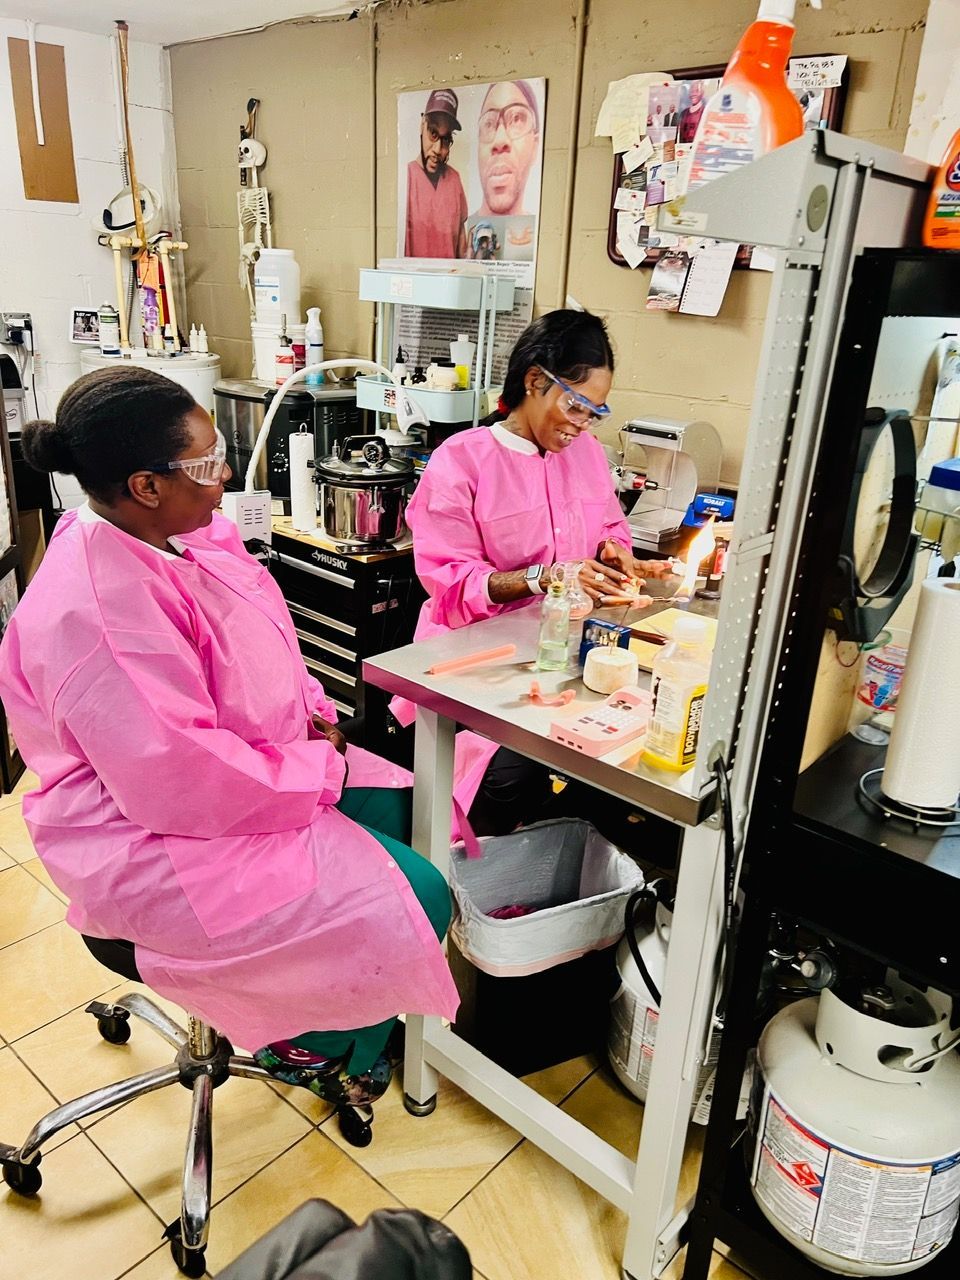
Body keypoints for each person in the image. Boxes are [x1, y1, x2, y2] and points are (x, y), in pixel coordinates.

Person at [0, 366, 459, 1134]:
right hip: (156, 838)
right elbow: (182, 778)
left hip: (256, 772)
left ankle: (341, 1006)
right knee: (419, 895)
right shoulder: (99, 609)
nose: (224, 478)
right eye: (208, 463)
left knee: (418, 810)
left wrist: (313, 713)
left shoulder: (180, 534)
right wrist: (317, 769)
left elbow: (259, 629)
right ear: (146, 485)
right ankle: (308, 1040)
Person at [396, 310, 672, 837]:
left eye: (595, 413)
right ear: (535, 381)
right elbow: (452, 584)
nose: (581, 425)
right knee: (505, 781)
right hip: (477, 666)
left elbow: (609, 524)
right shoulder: (463, 461)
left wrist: (618, 554)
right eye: (575, 405)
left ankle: (550, 863)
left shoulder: (587, 454)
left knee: (614, 761)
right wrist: (541, 577)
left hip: (566, 657)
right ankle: (467, 882)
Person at [404, 87, 468, 259]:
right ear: (422, 126)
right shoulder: (407, 177)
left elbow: (462, 251)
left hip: (448, 284)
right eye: (433, 133)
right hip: (414, 283)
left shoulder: (454, 180)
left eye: (446, 139)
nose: (438, 149)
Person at [473, 79, 541, 218]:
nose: (500, 141)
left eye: (516, 119)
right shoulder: (456, 235)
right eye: (489, 123)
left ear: (535, 146)